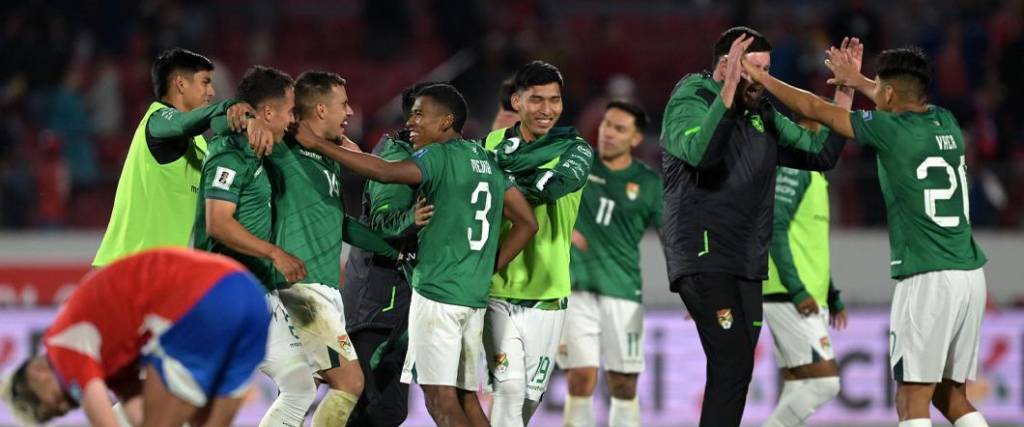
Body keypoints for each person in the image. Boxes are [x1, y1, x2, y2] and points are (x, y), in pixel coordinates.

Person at [742, 43, 989, 427]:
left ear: (888, 94)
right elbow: (889, 94)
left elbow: (815, 109)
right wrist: (854, 80)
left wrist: (762, 77)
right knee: (951, 395)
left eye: (879, 92)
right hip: (970, 276)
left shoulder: (889, 130)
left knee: (911, 399)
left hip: (927, 277)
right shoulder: (947, 121)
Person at [300, 83, 538, 427]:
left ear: (445, 122)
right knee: (464, 399)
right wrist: (486, 269)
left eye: (419, 114)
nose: (411, 122)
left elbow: (383, 172)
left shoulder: (436, 156)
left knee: (440, 403)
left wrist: (319, 144)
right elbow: (528, 223)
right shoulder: (486, 159)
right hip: (471, 297)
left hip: (436, 295)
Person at [659, 27, 848, 427]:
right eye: (753, 69)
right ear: (726, 66)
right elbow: (702, 155)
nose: (761, 79)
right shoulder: (691, 97)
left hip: (746, 261)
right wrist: (726, 94)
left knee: (737, 370)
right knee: (731, 363)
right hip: (704, 254)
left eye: (766, 69)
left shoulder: (761, 113)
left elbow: (821, 152)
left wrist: (845, 92)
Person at [260, 70, 401, 426]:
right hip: (300, 289)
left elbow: (339, 223)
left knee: (301, 388)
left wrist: (395, 248)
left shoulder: (330, 160)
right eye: (343, 104)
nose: (350, 111)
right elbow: (255, 116)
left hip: (323, 288)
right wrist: (248, 118)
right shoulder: (283, 149)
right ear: (320, 110)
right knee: (349, 382)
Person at [0, 248, 270, 427]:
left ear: (38, 372)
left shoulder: (61, 349)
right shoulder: (107, 354)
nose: (65, 408)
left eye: (53, 406)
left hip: (201, 301)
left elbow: (104, 418)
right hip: (250, 297)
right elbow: (136, 409)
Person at [191, 65, 312, 427]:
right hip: (220, 293)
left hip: (255, 293)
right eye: (290, 111)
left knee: (299, 386)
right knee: (188, 395)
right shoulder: (231, 153)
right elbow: (218, 222)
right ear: (269, 113)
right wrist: (274, 253)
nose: (293, 120)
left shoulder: (262, 151)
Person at [482, 60, 594, 427]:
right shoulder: (493, 143)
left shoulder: (576, 149)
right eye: (536, 100)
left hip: (549, 290)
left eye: (554, 100)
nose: (547, 110)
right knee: (509, 389)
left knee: (528, 398)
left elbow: (548, 190)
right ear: (516, 101)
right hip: (498, 285)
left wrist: (505, 182)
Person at [92, 48, 271, 267]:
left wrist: (249, 120)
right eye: (205, 82)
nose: (212, 91)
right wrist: (229, 106)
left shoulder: (199, 145)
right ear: (180, 83)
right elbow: (184, 123)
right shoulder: (156, 119)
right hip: (125, 268)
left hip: (162, 272)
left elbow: (217, 127)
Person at [558, 100, 661, 427]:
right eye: (606, 125)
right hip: (577, 290)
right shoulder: (577, 166)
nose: (609, 134)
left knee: (623, 383)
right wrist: (565, 229)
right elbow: (541, 202)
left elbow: (673, 235)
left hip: (623, 291)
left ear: (635, 139)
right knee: (580, 378)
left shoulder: (648, 184)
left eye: (620, 129)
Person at [342, 81, 439, 427]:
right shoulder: (397, 158)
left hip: (397, 300)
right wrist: (411, 221)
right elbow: (381, 222)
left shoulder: (424, 157)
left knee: (390, 409)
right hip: (377, 299)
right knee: (369, 405)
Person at [763, 158, 847, 427]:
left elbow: (812, 246)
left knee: (799, 385)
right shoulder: (796, 166)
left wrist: (832, 294)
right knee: (826, 383)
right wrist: (797, 290)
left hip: (805, 293)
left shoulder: (818, 174)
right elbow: (774, 228)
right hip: (789, 293)